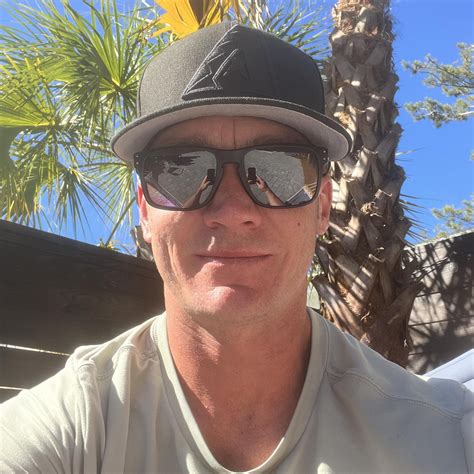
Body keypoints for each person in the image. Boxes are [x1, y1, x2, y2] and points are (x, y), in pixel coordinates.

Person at [0, 22, 472, 474]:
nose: (231, 210)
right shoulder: (73, 426)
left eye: (279, 170)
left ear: (323, 207)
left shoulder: (446, 438)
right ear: (145, 210)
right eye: (180, 170)